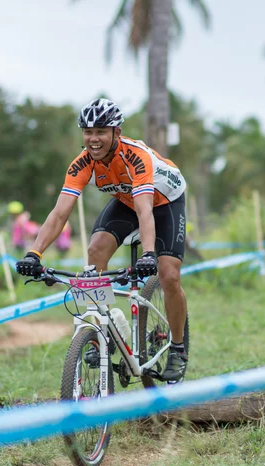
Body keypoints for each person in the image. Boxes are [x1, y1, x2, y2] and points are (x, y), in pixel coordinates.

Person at [15, 98, 188, 381]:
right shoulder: (81, 163)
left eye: (101, 132)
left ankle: (178, 348)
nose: (93, 139)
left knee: (168, 274)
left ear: (116, 133)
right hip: (126, 199)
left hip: (164, 200)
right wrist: (34, 253)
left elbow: (145, 211)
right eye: (88, 132)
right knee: (95, 251)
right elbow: (59, 214)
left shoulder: (135, 156)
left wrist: (148, 254)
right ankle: (98, 330)